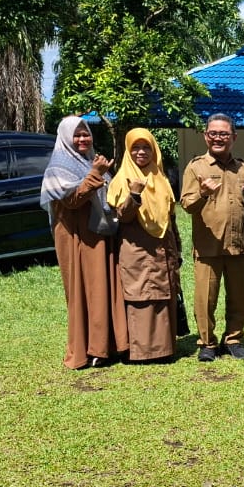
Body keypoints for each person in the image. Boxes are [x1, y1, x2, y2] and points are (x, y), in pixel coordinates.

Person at [40, 115, 128, 369]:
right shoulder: (58, 167)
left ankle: (110, 345)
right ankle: (90, 349)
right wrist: (95, 174)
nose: (82, 139)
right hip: (77, 239)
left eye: (85, 134)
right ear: (65, 137)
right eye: (77, 135)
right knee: (86, 290)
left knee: (105, 287)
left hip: (100, 235)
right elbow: (71, 201)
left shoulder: (92, 160)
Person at [180, 113, 244, 360]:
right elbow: (186, 205)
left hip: (237, 244)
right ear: (205, 136)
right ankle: (207, 343)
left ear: (234, 137)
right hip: (208, 245)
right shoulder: (196, 167)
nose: (218, 138)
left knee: (239, 296)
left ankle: (233, 339)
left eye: (223, 134)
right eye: (213, 133)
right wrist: (202, 193)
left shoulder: (242, 169)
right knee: (205, 298)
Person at [108, 128, 182, 362]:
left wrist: (177, 247)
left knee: (163, 294)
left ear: (154, 150)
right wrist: (134, 195)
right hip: (137, 248)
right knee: (141, 295)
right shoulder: (121, 179)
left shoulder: (161, 178)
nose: (141, 152)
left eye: (146, 147)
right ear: (128, 152)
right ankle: (140, 351)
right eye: (136, 148)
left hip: (163, 247)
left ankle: (164, 349)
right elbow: (123, 216)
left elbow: (170, 217)